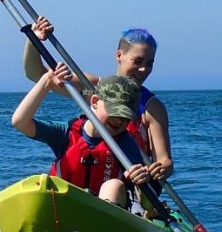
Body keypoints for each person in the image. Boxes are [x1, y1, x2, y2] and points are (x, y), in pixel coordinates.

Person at [22, 17, 174, 182]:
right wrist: (34, 39)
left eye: (149, 63)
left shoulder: (152, 108)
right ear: (119, 55)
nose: (144, 69)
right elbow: (36, 74)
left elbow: (164, 160)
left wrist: (162, 168)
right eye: (137, 62)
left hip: (127, 185)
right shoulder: (92, 87)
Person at [11, 63, 152, 209]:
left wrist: (142, 182)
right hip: (62, 211)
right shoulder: (66, 133)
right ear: (95, 102)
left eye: (125, 116)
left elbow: (147, 205)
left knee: (114, 186)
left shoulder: (125, 143)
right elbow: (20, 122)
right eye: (114, 112)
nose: (119, 120)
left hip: (102, 217)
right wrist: (47, 81)